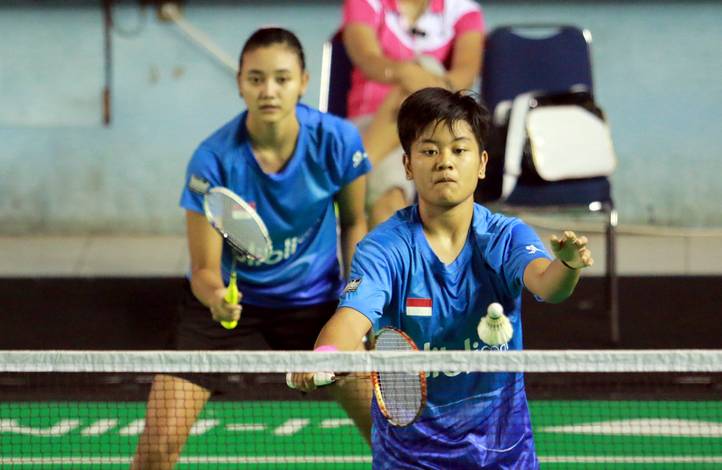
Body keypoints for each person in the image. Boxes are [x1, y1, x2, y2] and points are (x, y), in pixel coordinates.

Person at [291, 87, 594, 468]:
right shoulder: (385, 248)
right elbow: (351, 319)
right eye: (430, 151)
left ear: (481, 163)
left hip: (501, 457)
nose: (445, 162)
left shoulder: (505, 236)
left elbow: (548, 286)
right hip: (410, 459)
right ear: (407, 165)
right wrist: (324, 357)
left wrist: (567, 266)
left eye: (459, 150)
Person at [132, 28, 373, 469]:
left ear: (303, 82)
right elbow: (204, 270)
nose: (269, 91)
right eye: (256, 79)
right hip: (227, 311)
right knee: (156, 450)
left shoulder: (337, 141)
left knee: (390, 432)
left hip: (316, 305)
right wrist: (216, 299)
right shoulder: (213, 159)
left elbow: (354, 222)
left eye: (282, 78)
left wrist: (357, 304)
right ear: (240, 83)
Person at [341, 0, 485, 227]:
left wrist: (419, 81)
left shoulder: (464, 10)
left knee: (390, 203)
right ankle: (356, 172)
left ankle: (352, 174)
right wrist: (406, 73)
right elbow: (367, 58)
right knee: (391, 200)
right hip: (369, 122)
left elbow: (465, 73)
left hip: (425, 129)